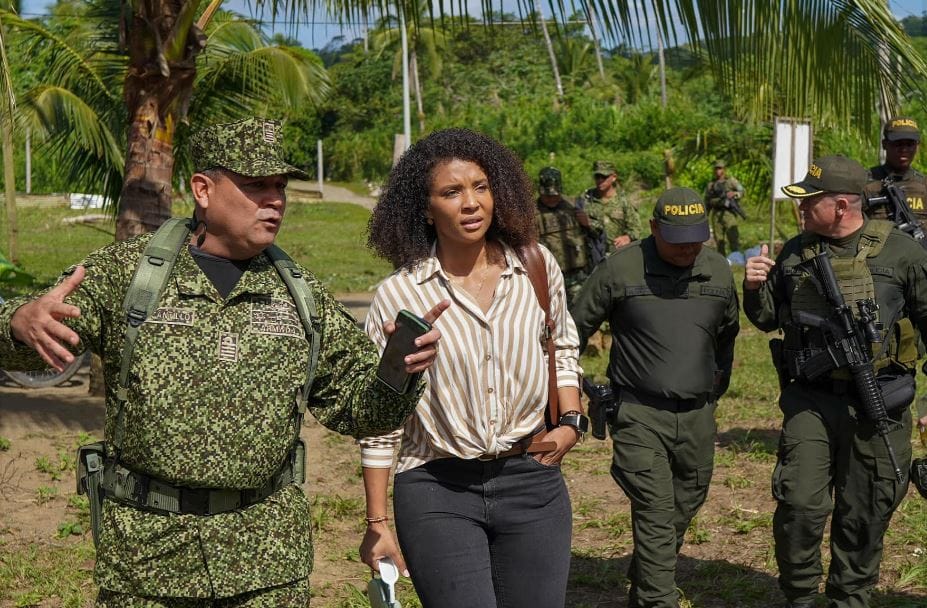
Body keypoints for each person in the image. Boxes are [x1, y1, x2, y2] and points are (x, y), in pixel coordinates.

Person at [0, 117, 441, 605]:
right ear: (203, 190)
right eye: (255, 186)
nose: (274, 200)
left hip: (267, 562)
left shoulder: (301, 296)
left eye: (280, 187)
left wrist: (398, 370)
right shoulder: (129, 275)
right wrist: (17, 322)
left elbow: (360, 412)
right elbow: (35, 333)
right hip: (148, 562)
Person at [357, 128, 585, 608]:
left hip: (532, 479)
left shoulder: (536, 267)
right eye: (451, 192)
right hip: (437, 488)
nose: (471, 203)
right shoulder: (400, 294)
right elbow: (382, 416)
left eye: (480, 187)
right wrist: (377, 522)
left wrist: (570, 422)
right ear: (425, 209)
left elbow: (561, 345)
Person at [744, 155, 926, 608]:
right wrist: (753, 287)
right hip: (811, 400)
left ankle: (850, 596)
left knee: (866, 510)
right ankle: (801, 596)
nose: (801, 208)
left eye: (811, 201)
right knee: (799, 504)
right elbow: (767, 318)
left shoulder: (902, 253)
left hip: (879, 401)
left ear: (841, 206)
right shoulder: (795, 251)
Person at [571, 187, 739, 608]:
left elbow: (726, 335)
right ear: (653, 228)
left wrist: (714, 389)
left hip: (698, 413)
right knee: (656, 510)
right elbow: (572, 332)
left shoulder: (718, 271)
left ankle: (647, 574)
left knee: (688, 499)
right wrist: (570, 388)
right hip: (639, 412)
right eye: (678, 240)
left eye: (696, 240)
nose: (688, 249)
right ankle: (657, 598)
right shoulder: (620, 269)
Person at [535, 166, 589, 306]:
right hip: (548, 277)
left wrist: (587, 223)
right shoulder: (531, 212)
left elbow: (597, 234)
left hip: (577, 275)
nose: (551, 199)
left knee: (581, 311)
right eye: (547, 196)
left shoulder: (574, 205)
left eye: (554, 195)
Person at [863, 116, 927, 228]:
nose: (904, 149)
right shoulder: (865, 183)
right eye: (898, 144)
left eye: (909, 144)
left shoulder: (924, 186)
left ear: (917, 146)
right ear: (884, 144)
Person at [577, 160, 642, 268]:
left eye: (604, 177)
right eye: (597, 177)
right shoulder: (586, 199)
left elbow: (636, 229)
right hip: (592, 257)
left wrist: (627, 237)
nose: (600, 180)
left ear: (613, 177)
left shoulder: (624, 201)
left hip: (617, 257)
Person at [704, 160, 745, 256]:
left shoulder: (731, 181)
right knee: (719, 241)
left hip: (729, 213)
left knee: (733, 237)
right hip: (716, 214)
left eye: (720, 168)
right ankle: (722, 260)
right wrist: (705, 215)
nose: (718, 171)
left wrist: (734, 194)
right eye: (716, 169)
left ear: (724, 170)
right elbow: (707, 200)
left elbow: (742, 191)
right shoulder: (711, 185)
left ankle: (736, 258)